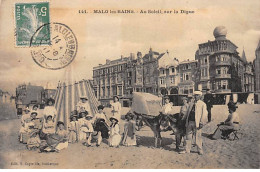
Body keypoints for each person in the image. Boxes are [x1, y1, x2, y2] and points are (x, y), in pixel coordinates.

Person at [179, 91, 208, 155]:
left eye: (197, 95)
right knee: (188, 137)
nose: (195, 96)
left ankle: (200, 150)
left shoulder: (203, 104)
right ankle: (187, 150)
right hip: (190, 122)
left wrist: (201, 122)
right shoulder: (191, 103)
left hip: (197, 123)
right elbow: (187, 113)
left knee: (198, 137)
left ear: (200, 96)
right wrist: (183, 119)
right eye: (195, 95)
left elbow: (204, 114)